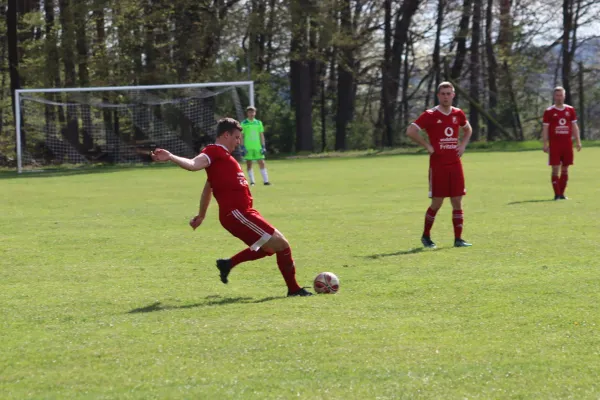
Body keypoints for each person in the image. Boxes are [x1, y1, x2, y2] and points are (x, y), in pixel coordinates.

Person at [151, 117, 312, 297]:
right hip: (238, 214)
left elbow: (208, 188)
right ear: (226, 135)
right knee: (282, 245)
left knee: (269, 248)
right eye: (236, 137)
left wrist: (201, 215)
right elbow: (193, 165)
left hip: (242, 213)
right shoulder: (213, 151)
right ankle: (294, 289)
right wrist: (171, 156)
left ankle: (227, 264)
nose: (239, 141)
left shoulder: (225, 159)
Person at [406, 82, 473, 249]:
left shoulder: (458, 113)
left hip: (455, 164)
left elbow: (468, 129)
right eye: (443, 93)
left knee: (457, 201)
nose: (445, 96)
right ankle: (426, 236)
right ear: (438, 95)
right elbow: (411, 131)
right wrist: (427, 146)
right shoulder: (430, 114)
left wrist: (463, 145)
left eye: (448, 93)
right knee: (437, 203)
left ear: (453, 95)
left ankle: (458, 239)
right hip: (438, 166)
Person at [542, 86, 582, 200]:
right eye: (557, 95)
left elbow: (574, 126)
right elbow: (545, 129)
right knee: (555, 169)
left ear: (564, 96)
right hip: (555, 144)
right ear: (554, 96)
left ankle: (562, 194)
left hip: (567, 144)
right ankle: (556, 194)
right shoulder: (549, 111)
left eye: (561, 95)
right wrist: (545, 143)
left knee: (565, 169)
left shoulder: (570, 110)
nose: (559, 98)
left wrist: (578, 141)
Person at [240, 106, 271, 185]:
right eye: (250, 112)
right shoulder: (243, 123)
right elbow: (241, 136)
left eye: (253, 112)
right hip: (248, 147)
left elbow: (261, 135)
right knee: (249, 164)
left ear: (255, 113)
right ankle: (252, 181)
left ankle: (266, 181)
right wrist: (242, 147)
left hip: (257, 147)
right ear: (247, 113)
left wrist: (263, 146)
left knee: (262, 162)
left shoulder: (258, 123)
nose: (251, 114)